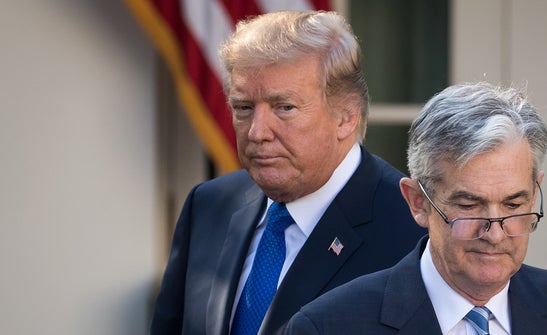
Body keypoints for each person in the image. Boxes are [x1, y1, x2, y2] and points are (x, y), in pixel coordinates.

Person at [149, 10, 426, 335]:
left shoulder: (414, 229)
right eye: (244, 108)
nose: (256, 132)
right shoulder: (208, 205)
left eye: (284, 108)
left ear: (346, 117)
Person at [285, 82, 547, 335]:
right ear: (418, 202)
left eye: (514, 204)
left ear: (535, 194)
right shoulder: (329, 326)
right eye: (470, 205)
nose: (495, 233)